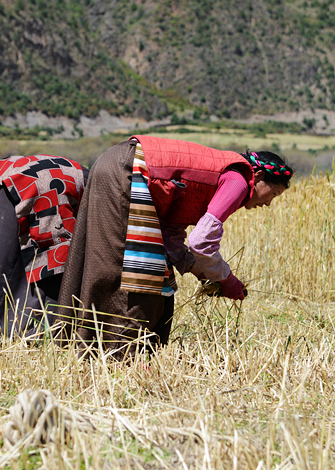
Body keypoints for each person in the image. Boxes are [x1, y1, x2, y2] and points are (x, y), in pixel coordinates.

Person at [54, 135, 293, 359]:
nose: (269, 202)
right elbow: (201, 241)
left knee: (151, 269)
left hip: (117, 162)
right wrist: (226, 278)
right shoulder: (238, 180)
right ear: (259, 176)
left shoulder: (228, 176)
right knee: (136, 271)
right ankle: (120, 354)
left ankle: (113, 349)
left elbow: (169, 232)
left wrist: (199, 272)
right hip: (128, 170)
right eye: (272, 193)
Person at [0, 155, 88, 337]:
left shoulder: (92, 174)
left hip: (9, 177)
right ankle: (35, 329)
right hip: (42, 186)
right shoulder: (100, 183)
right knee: (51, 258)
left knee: (4, 254)